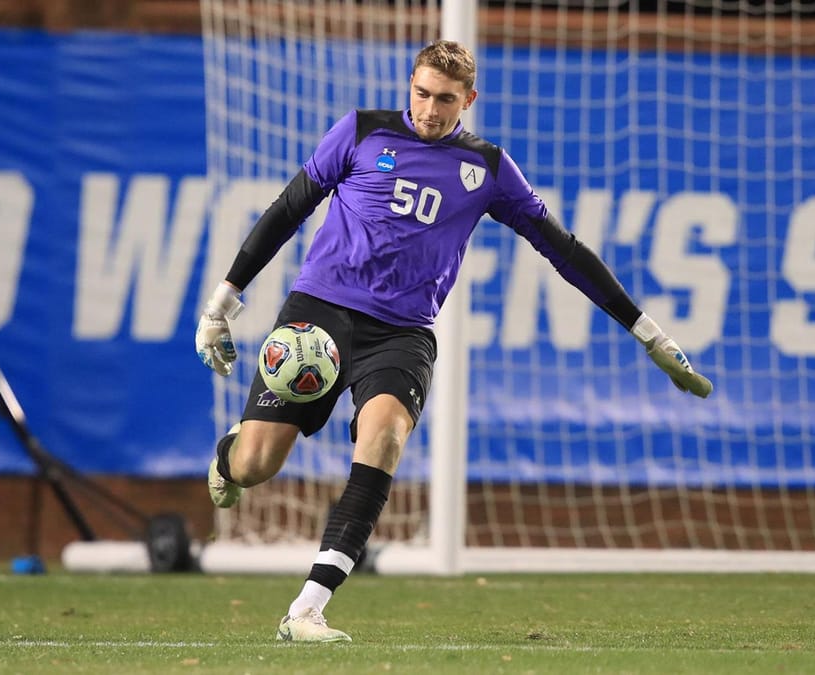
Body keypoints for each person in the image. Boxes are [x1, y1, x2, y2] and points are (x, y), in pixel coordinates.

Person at [195, 39, 712, 643]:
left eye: (445, 99)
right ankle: (230, 456)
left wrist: (649, 334)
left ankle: (307, 608)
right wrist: (222, 303)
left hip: (403, 332)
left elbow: (564, 251)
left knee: (383, 436)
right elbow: (288, 209)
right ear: (408, 87)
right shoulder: (361, 132)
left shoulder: (487, 168)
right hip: (319, 314)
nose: (430, 109)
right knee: (258, 465)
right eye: (421, 94)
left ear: (468, 100)